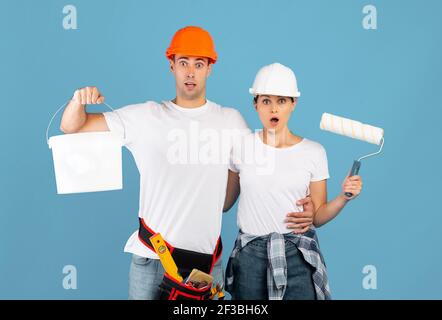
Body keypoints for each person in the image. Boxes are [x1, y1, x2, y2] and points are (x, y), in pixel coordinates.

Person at [58, 26, 314, 300]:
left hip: (206, 269)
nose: (191, 72)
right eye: (183, 63)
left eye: (199, 64)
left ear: (209, 68)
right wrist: (78, 101)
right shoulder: (145, 117)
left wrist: (305, 202)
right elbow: (71, 126)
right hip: (152, 263)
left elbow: (247, 185)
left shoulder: (230, 121)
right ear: (172, 66)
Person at [224, 63, 363, 300]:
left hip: (297, 255)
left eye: (282, 100)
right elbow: (224, 203)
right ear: (255, 104)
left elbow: (317, 217)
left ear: (293, 104)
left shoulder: (313, 152)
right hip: (250, 256)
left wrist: (343, 198)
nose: (273, 108)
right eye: (266, 101)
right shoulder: (241, 146)